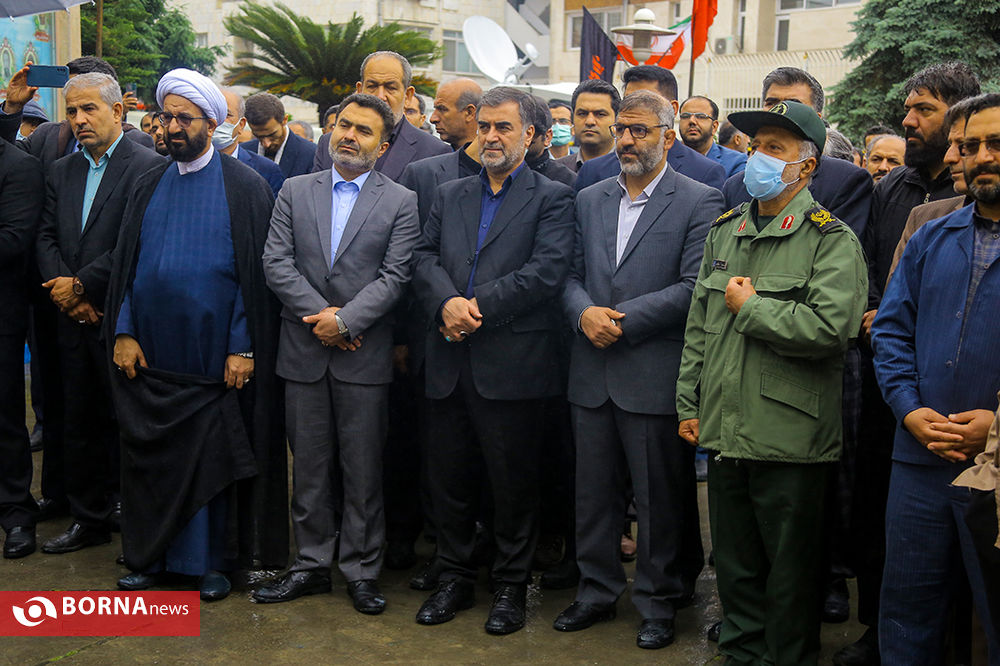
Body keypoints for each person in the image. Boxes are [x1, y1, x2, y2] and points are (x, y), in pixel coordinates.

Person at [677, 100, 867, 666]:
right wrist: (689, 402)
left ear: (805, 166)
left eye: (774, 148)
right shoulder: (726, 231)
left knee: (789, 571)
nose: (758, 156)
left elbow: (831, 330)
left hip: (790, 434)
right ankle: (740, 652)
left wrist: (753, 308)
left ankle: (785, 657)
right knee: (735, 564)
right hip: (725, 426)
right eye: (756, 145)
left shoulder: (830, 240)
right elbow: (699, 327)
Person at [105, 68, 286, 600]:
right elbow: (128, 268)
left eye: (184, 119)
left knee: (212, 460)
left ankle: (211, 564)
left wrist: (242, 346)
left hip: (214, 362)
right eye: (166, 117)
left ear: (211, 122)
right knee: (152, 460)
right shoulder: (147, 182)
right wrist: (123, 331)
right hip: (152, 358)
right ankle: (150, 558)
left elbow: (254, 281)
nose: (172, 127)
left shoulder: (246, 187)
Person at [555, 90, 724, 649]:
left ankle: (658, 600)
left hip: (651, 371)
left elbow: (694, 286)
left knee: (659, 498)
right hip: (590, 369)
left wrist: (621, 322)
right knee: (592, 493)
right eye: (622, 130)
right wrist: (584, 313)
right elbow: (568, 273)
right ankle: (596, 592)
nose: (626, 140)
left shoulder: (700, 199)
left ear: (668, 137)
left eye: (639, 131)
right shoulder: (590, 197)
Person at [410, 87, 574, 635]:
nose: (492, 136)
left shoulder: (553, 197)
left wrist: (475, 307)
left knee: (513, 484)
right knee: (449, 480)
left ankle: (510, 586)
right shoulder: (450, 193)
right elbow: (423, 257)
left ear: (530, 135)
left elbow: (547, 271)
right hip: (448, 360)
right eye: (484, 126)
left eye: (504, 127)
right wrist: (446, 302)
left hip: (513, 365)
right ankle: (455, 577)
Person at [255, 93, 420, 613]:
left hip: (363, 357)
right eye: (344, 125)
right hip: (303, 352)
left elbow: (396, 276)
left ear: (383, 146)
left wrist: (346, 321)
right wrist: (323, 318)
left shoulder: (401, 201)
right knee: (308, 468)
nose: (349, 135)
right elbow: (276, 262)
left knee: (363, 470)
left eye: (363, 130)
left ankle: (362, 570)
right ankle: (310, 565)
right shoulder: (294, 190)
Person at [839, 62, 981, 666]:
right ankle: (879, 633)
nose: (909, 121)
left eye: (924, 109)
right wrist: (877, 315)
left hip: (978, 428)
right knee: (893, 546)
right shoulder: (904, 201)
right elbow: (876, 275)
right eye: (908, 108)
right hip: (901, 408)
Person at [871, 92, 1000, 665]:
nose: (981, 156)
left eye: (996, 143)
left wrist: (996, 426)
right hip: (919, 459)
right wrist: (908, 409)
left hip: (995, 469)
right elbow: (891, 332)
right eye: (970, 146)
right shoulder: (931, 237)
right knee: (907, 613)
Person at [33, 72, 164, 556]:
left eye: (89, 108)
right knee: (78, 420)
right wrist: (66, 291)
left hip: (121, 317)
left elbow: (135, 242)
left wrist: (83, 285)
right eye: (71, 111)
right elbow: (44, 235)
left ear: (117, 111)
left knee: (127, 421)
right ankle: (88, 518)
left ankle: (134, 516)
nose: (79, 119)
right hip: (70, 318)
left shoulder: (148, 167)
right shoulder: (61, 170)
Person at [720, 67, 871, 237]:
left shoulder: (845, 181)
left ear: (817, 120)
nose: (780, 111)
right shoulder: (734, 186)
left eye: (794, 104)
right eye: (771, 103)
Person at [574, 66, 727, 192]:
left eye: (646, 101)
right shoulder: (594, 171)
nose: (634, 107)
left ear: (673, 108)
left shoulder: (704, 173)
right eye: (628, 100)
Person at [0, 134, 44, 559]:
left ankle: (16, 512)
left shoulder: (18, 166)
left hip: (2, 317)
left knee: (5, 418)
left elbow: (13, 241)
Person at [313, 51, 450, 177]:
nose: (380, 96)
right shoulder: (328, 143)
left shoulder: (434, 152)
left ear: (408, 95)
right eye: (372, 86)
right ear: (359, 90)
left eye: (390, 88)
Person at [217, 88, 285, 198]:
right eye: (212, 113)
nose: (217, 120)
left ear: (241, 124)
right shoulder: (189, 164)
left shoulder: (267, 170)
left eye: (226, 115)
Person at [243, 92, 316, 178]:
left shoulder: (312, 154)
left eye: (272, 135)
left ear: (284, 120)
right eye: (259, 136)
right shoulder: (243, 152)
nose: (266, 144)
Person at [556, 79, 619, 173]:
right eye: (582, 114)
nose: (589, 121)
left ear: (617, 120)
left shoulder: (630, 171)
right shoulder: (556, 172)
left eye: (600, 114)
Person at [679, 95, 747, 176]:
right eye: (685, 116)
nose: (692, 121)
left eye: (701, 116)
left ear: (714, 127)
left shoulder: (735, 162)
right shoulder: (667, 157)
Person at [525, 95, 576, 187]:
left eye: (563, 121)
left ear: (573, 128)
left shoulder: (572, 172)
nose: (557, 125)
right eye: (553, 121)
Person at [429, 78, 481, 151]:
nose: (432, 119)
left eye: (442, 109)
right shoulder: (429, 154)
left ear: (469, 113)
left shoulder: (492, 156)